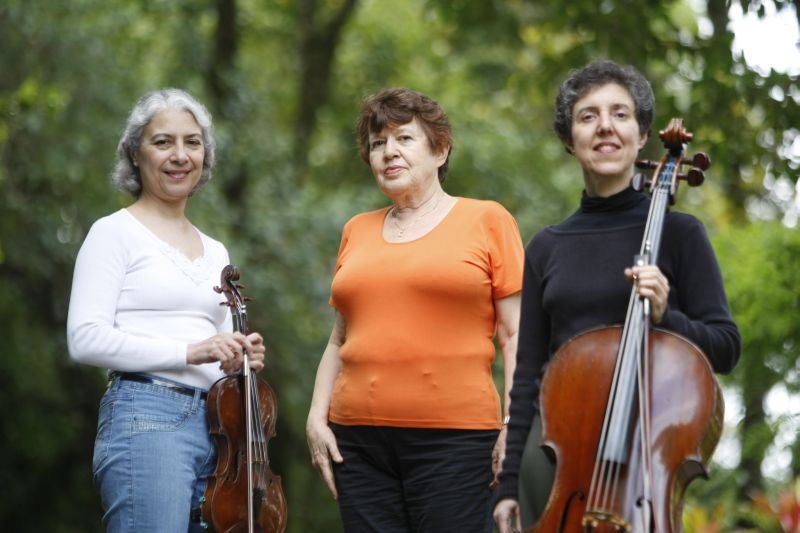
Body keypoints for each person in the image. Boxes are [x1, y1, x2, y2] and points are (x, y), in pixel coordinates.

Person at [493, 60, 742, 533]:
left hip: (644, 461)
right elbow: (526, 375)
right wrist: (507, 488)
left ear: (642, 134)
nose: (605, 126)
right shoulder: (547, 247)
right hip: (552, 455)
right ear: (570, 140)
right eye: (588, 116)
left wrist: (667, 315)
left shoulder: (681, 233)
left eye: (620, 114)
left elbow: (726, 347)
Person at [305, 87, 524, 533]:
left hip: (456, 442)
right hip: (357, 445)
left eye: (404, 139)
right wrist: (315, 417)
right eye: (377, 142)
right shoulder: (356, 230)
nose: (388, 152)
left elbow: (515, 334)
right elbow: (339, 338)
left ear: (440, 149)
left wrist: (513, 425)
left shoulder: (487, 219)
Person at [67, 88, 266, 533]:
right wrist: (190, 351)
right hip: (146, 416)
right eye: (163, 142)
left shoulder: (217, 251)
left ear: (205, 155)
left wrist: (239, 358)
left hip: (220, 432)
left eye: (192, 142)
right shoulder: (113, 233)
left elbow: (216, 355)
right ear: (136, 153)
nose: (180, 155)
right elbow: (85, 338)